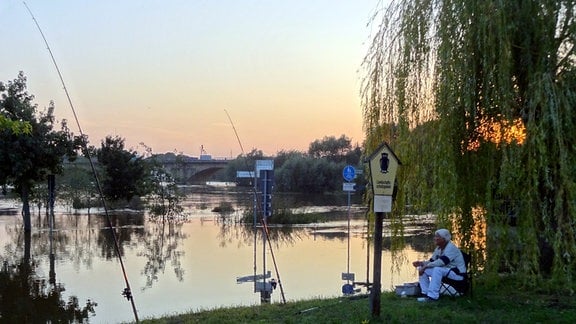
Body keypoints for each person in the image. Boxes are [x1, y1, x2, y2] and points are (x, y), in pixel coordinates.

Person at [412, 228, 466, 301]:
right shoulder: (438, 248)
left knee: (437, 270)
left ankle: (432, 297)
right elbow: (432, 261)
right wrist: (421, 263)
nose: (435, 238)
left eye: (437, 237)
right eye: (435, 236)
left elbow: (442, 262)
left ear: (444, 239)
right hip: (446, 271)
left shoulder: (451, 248)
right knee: (421, 268)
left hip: (457, 274)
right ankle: (425, 293)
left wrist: (426, 266)